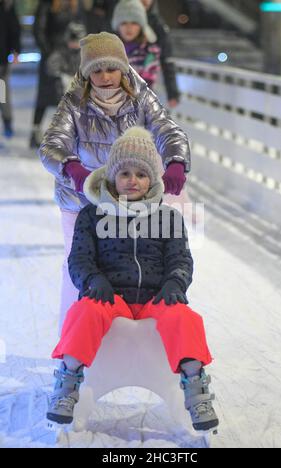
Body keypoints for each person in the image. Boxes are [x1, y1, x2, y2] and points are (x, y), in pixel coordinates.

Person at [46, 126, 219, 433]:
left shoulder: (168, 217)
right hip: (109, 296)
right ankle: (68, 383)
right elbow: (80, 258)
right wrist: (92, 280)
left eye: (140, 174)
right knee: (83, 312)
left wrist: (174, 283)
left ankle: (195, 389)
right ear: (112, 176)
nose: (132, 181)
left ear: (152, 178)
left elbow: (181, 259)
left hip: (156, 298)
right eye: (124, 173)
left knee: (185, 317)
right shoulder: (93, 214)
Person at [38, 32, 190, 333]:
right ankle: (70, 344)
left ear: (122, 68)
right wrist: (71, 167)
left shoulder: (140, 96)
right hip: (82, 203)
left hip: (133, 202)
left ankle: (133, 345)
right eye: (96, 69)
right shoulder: (74, 103)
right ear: (86, 72)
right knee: (79, 270)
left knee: (134, 270)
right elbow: (52, 144)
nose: (105, 76)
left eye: (111, 68)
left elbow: (167, 129)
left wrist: (176, 160)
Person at [30, 0, 81, 148]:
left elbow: (79, 27)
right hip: (51, 55)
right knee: (45, 95)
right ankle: (35, 131)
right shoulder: (46, 5)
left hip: (71, 57)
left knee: (70, 97)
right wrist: (48, 51)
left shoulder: (74, 5)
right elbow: (38, 30)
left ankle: (70, 135)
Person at [112, 0, 161, 90]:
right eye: (124, 23)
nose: (129, 28)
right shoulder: (109, 50)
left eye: (134, 23)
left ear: (141, 26)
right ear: (117, 25)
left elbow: (147, 85)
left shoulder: (150, 52)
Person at [47, 22, 86, 96]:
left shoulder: (87, 52)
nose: (75, 44)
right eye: (72, 41)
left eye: (77, 41)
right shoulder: (60, 51)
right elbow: (51, 67)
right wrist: (61, 75)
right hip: (65, 83)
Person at [0, 0, 21, 138]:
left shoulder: (6, 7)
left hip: (1, 59)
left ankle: (7, 122)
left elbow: (14, 28)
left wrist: (16, 51)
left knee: (2, 93)